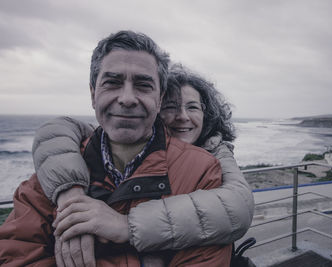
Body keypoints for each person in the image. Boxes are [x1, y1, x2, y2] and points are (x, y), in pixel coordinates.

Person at [0, 30, 237, 267]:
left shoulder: (202, 172)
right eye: (112, 83)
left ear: (159, 98)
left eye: (143, 85)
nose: (127, 98)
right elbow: (14, 254)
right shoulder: (52, 177)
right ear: (93, 94)